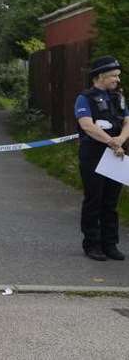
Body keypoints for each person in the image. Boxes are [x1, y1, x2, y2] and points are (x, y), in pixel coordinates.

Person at [75, 55, 129, 261]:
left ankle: (110, 244)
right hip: (94, 154)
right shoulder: (84, 98)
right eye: (114, 76)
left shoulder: (118, 97)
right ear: (100, 76)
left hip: (116, 153)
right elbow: (87, 125)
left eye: (118, 76)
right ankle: (92, 244)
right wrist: (112, 142)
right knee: (94, 199)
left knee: (111, 201)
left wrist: (121, 139)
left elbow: (127, 121)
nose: (117, 80)